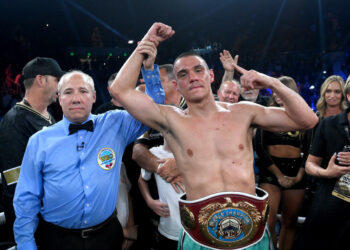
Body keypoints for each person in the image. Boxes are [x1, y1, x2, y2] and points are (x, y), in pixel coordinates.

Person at [111, 22, 318, 250]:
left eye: (198, 70)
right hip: (200, 236)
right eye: (183, 74)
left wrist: (271, 82)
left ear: (210, 75)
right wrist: (147, 43)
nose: (192, 77)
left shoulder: (244, 112)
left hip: (251, 234)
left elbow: (307, 120)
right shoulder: (171, 120)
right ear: (177, 85)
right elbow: (120, 90)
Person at [13, 69, 164, 250]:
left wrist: (148, 68)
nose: (76, 98)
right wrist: (26, 244)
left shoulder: (114, 124)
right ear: (59, 98)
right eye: (68, 92)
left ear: (93, 97)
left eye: (83, 91)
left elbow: (154, 110)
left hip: (107, 236)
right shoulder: (39, 141)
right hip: (57, 240)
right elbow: (26, 199)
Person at [0, 57, 64, 243]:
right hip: (36, 222)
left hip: (53, 215)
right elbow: (15, 181)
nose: (60, 86)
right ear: (41, 80)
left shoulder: (49, 116)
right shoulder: (15, 121)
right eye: (57, 80)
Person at [292, 78, 350, 250]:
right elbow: (310, 164)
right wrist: (327, 173)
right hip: (330, 199)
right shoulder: (328, 124)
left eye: (336, 91)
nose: (332, 95)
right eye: (328, 91)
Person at [255, 76, 307, 250]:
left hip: (296, 173)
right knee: (267, 223)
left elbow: (310, 149)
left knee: (290, 222)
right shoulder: (265, 113)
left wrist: (299, 175)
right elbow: (260, 148)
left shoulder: (304, 117)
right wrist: (278, 175)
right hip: (271, 171)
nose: (277, 94)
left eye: (282, 90)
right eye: (275, 90)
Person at [138, 139, 184, 250]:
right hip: (168, 227)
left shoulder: (191, 154)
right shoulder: (153, 153)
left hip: (194, 228)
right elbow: (141, 180)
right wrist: (150, 201)